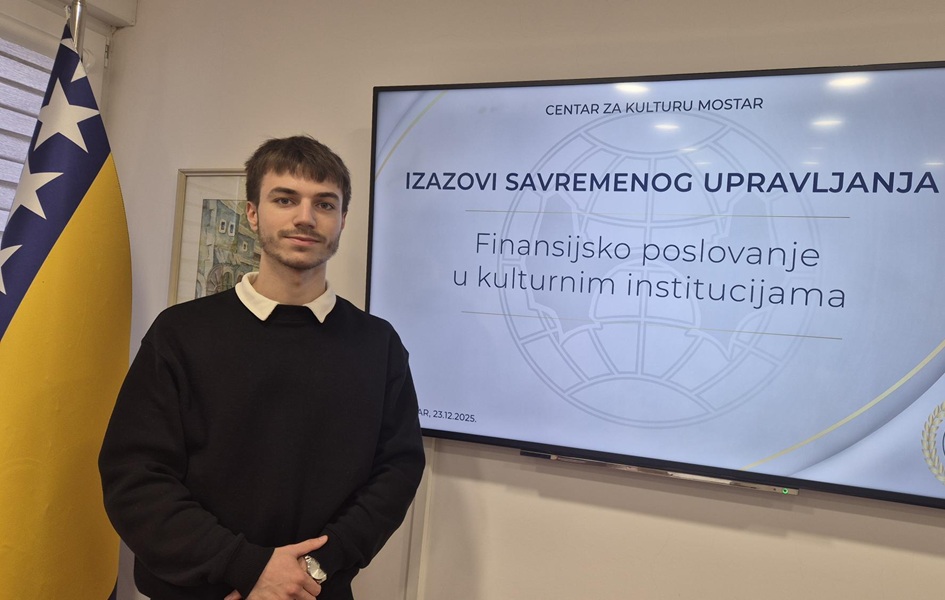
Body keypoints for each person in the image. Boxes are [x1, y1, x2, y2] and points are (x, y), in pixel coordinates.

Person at [99, 135, 426, 600]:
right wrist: (246, 567)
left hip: (314, 591)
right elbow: (135, 476)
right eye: (285, 199)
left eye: (324, 204)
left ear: (342, 220)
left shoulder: (378, 344)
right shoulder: (180, 334)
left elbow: (397, 471)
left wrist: (311, 570)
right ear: (252, 213)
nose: (305, 217)